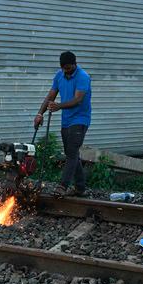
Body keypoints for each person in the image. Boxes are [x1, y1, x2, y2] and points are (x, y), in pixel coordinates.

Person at [34, 51, 91, 197]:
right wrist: (40, 114)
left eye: (68, 68)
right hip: (66, 120)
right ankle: (80, 188)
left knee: (71, 152)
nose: (66, 71)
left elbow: (78, 99)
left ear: (74, 64)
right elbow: (50, 96)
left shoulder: (83, 77)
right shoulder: (59, 75)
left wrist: (59, 106)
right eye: (63, 68)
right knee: (72, 153)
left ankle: (62, 186)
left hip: (80, 119)